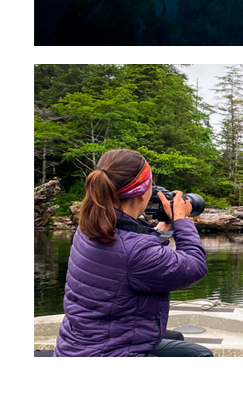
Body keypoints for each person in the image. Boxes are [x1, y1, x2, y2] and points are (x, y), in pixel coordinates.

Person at [55, 149, 211, 357]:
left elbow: (127, 254)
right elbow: (194, 266)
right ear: (142, 194)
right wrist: (182, 221)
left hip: (82, 342)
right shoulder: (135, 250)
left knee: (173, 338)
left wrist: (161, 230)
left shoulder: (90, 224)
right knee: (200, 355)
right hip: (108, 352)